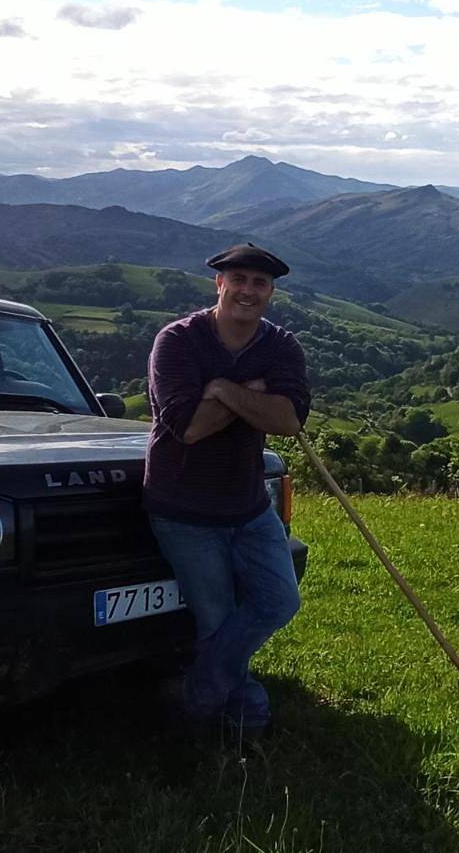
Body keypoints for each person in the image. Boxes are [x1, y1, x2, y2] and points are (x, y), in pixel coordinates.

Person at [142, 241, 310, 739]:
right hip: (183, 507)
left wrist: (225, 390)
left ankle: (194, 696)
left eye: (259, 283)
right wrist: (256, 393)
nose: (248, 290)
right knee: (216, 621)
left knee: (281, 602)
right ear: (219, 284)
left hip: (249, 503)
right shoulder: (177, 342)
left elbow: (289, 420)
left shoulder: (280, 346)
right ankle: (246, 716)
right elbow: (187, 428)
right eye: (238, 280)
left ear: (271, 292)